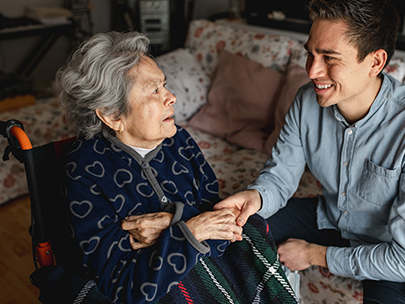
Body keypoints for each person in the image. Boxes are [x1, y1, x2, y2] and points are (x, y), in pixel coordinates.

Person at [214, 0, 405, 304]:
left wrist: (316, 255)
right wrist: (257, 197)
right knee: (231, 232)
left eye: (329, 58)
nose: (312, 71)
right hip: (328, 218)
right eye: (310, 54)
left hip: (391, 246)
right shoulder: (306, 101)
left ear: (375, 62)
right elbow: (280, 175)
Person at [56, 31, 297, 304]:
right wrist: (191, 231)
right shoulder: (85, 169)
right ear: (113, 115)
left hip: (197, 266)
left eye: (165, 85)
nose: (171, 97)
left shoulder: (179, 140)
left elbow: (221, 228)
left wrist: (174, 222)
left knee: (251, 225)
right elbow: (123, 284)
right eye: (154, 90)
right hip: (155, 289)